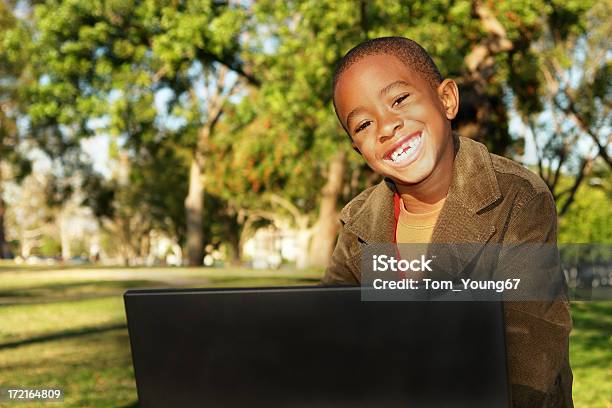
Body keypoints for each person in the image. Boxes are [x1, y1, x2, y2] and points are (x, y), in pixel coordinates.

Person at [322, 36, 573, 407]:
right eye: (362, 125)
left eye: (399, 100)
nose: (386, 126)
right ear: (359, 150)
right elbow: (328, 337)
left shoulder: (519, 198)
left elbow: (531, 358)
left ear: (447, 100)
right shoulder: (359, 223)